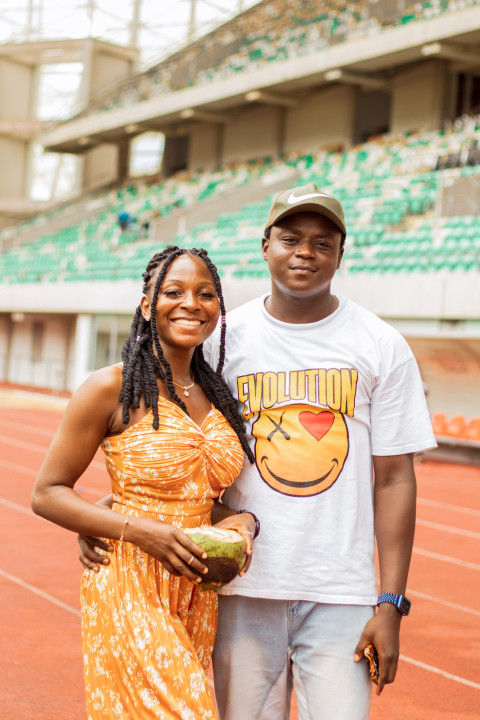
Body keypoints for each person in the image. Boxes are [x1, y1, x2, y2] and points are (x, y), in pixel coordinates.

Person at [80, 184, 436, 720]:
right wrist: (114, 512)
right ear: (264, 245)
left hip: (339, 590)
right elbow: (167, 438)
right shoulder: (219, 340)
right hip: (240, 586)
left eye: (322, 242)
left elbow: (394, 480)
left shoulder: (380, 344)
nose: (304, 252)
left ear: (343, 252)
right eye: (290, 238)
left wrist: (391, 602)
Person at [31, 246, 258, 720]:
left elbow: (189, 495)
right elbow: (47, 492)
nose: (191, 304)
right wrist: (134, 529)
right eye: (173, 292)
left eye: (206, 294)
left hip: (195, 590)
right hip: (129, 582)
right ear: (145, 304)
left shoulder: (217, 395)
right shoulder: (109, 388)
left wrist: (241, 520)